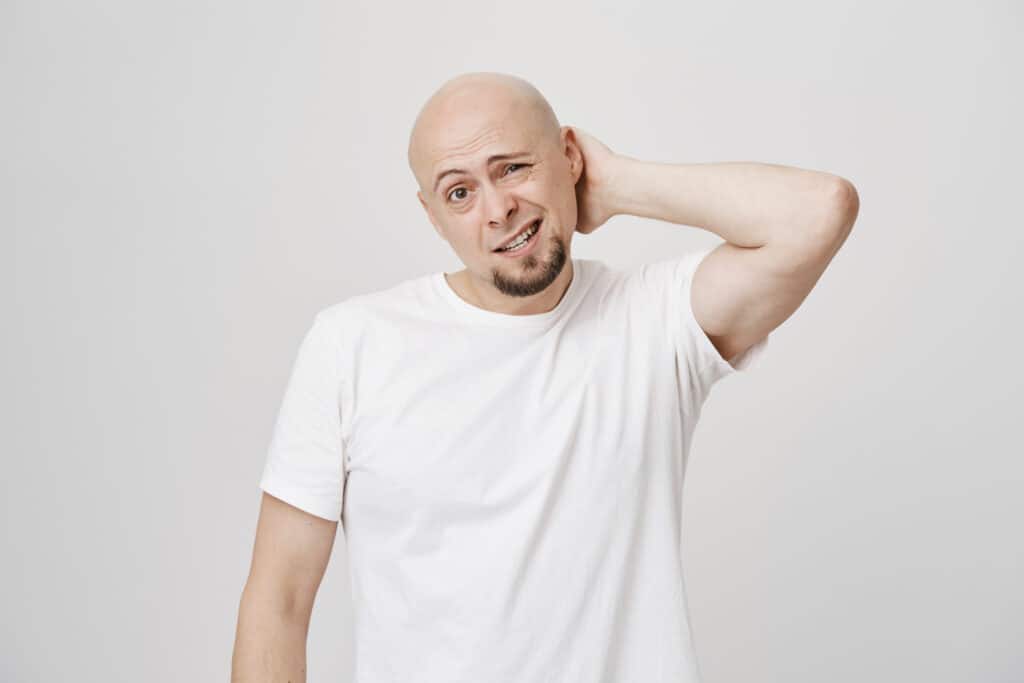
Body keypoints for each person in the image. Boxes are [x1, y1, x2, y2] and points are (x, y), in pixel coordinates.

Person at [231, 71, 858, 682]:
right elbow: (278, 604)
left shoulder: (654, 321)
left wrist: (618, 186)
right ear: (432, 215)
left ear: (567, 156)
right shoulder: (351, 344)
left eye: (513, 168)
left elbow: (820, 211)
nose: (499, 209)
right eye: (459, 192)